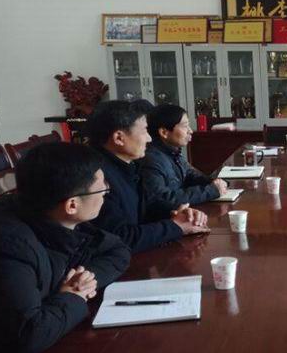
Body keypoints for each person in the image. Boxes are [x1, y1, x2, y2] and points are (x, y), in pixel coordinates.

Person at [0, 143, 130, 353]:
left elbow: (118, 250)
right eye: (102, 189)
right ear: (72, 205)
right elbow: (27, 336)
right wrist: (72, 296)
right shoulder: (3, 246)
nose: (106, 193)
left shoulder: (53, 215)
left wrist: (84, 279)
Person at [86, 100, 209, 253]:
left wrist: (176, 212)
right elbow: (119, 238)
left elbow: (144, 207)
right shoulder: (97, 178)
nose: (149, 139)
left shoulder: (129, 165)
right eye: (144, 131)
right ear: (119, 138)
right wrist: (175, 226)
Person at [140, 104, 228, 207]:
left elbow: (190, 175)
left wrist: (216, 183)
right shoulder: (151, 160)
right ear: (164, 132)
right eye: (185, 126)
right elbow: (162, 199)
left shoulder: (173, 152)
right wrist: (210, 191)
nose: (190, 131)